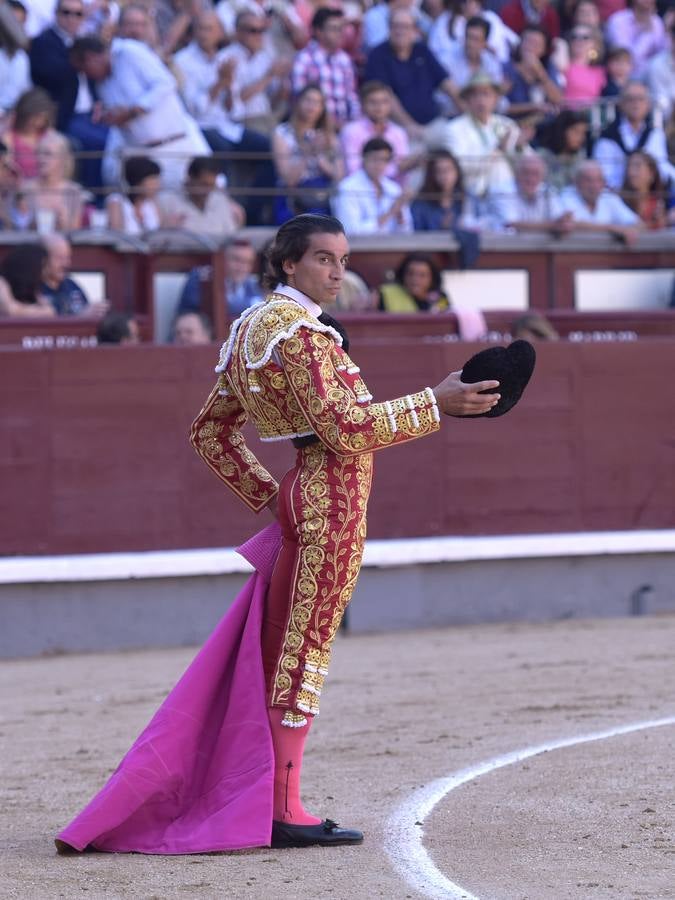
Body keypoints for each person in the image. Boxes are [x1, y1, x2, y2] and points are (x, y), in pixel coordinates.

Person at [70, 35, 210, 189]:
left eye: (83, 70)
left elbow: (166, 83)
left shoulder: (129, 52)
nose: (84, 75)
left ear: (91, 58)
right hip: (140, 158)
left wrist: (133, 111)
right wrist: (110, 117)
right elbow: (119, 114)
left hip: (175, 147)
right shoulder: (100, 83)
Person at [172, 10, 275, 219]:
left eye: (210, 29)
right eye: (201, 28)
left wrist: (228, 87)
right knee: (222, 149)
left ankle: (251, 213)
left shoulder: (225, 58)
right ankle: (224, 214)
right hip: (200, 127)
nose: (205, 34)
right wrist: (219, 83)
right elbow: (195, 108)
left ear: (220, 32)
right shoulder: (182, 61)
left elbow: (235, 109)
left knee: (268, 150)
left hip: (227, 126)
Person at [29, 0, 108, 191]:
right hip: (66, 116)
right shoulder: (43, 42)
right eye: (66, 12)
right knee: (97, 143)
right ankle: (94, 197)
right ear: (56, 14)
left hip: (92, 113)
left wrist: (99, 102)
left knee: (117, 138)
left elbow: (95, 78)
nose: (72, 18)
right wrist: (78, 59)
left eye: (78, 14)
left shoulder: (87, 42)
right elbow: (47, 74)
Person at [429, 72, 526, 201]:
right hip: (478, 196)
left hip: (512, 192)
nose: (481, 100)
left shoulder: (507, 124)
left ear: (495, 99)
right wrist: (498, 149)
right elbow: (460, 168)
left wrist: (520, 148)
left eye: (486, 94)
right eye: (475, 95)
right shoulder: (454, 129)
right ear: (467, 100)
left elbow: (525, 163)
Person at [363, 8, 457, 133]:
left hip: (433, 122)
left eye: (405, 27)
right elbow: (386, 97)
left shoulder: (422, 51)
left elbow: (446, 83)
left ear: (414, 31)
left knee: (454, 139)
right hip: (396, 127)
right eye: (396, 26)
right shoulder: (377, 56)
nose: (400, 31)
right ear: (389, 29)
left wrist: (467, 109)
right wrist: (410, 126)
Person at [272, 85, 344, 223]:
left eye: (317, 102)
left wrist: (320, 158)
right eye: (308, 100)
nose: (311, 106)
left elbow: (339, 175)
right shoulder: (282, 132)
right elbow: (288, 179)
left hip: (322, 196)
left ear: (322, 108)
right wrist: (308, 152)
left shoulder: (329, 135)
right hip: (293, 197)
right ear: (298, 103)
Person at [217, 11, 291, 135]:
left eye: (262, 30)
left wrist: (284, 83)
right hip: (240, 124)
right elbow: (230, 104)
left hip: (266, 118)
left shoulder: (264, 58)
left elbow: (273, 102)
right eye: (253, 30)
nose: (259, 35)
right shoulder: (225, 58)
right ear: (238, 32)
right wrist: (268, 77)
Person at [592, 80, 674, 191]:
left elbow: (662, 167)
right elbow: (604, 174)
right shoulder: (608, 137)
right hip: (617, 196)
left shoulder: (656, 134)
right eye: (630, 99)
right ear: (621, 104)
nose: (636, 104)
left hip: (651, 195)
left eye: (641, 99)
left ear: (648, 104)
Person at [291, 8, 360, 129]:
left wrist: (354, 125)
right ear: (318, 31)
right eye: (334, 29)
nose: (341, 33)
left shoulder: (345, 60)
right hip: (315, 128)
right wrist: (330, 126)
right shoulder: (304, 59)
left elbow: (351, 97)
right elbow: (299, 101)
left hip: (345, 128)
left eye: (341, 28)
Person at [411, 150, 481, 268]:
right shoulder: (421, 202)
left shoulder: (467, 198)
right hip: (430, 263)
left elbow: (480, 225)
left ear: (457, 172)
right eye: (439, 171)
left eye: (449, 170)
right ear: (431, 174)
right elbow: (416, 233)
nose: (445, 176)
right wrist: (441, 229)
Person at [331, 137, 413, 235]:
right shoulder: (347, 187)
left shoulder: (394, 189)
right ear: (363, 159)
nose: (379, 164)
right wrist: (390, 213)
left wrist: (401, 220)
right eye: (374, 159)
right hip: (359, 249)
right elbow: (350, 231)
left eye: (384, 160)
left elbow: (408, 231)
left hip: (392, 247)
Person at [432, 15, 505, 116]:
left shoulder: (491, 62)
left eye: (476, 39)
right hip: (454, 117)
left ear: (484, 43)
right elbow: (441, 100)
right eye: (468, 37)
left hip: (485, 116)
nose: (470, 43)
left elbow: (497, 97)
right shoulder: (447, 61)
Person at [157, 155, 245, 237]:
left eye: (211, 186)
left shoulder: (220, 199)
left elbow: (232, 236)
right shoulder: (167, 201)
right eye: (204, 185)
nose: (208, 191)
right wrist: (165, 229)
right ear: (190, 178)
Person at [340, 80, 412, 180]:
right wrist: (397, 169)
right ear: (362, 105)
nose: (379, 107)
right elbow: (354, 170)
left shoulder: (399, 133)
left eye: (384, 102)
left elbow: (403, 168)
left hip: (393, 191)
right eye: (373, 102)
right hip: (359, 190)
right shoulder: (351, 131)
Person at [558, 158, 642, 243]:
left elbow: (637, 223)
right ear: (576, 182)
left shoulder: (609, 197)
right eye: (588, 180)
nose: (594, 186)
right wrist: (613, 229)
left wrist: (630, 230)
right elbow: (571, 224)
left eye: (598, 180)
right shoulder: (567, 195)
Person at [486, 153, 570, 233]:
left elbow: (560, 221)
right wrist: (552, 226)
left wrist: (564, 221)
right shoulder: (501, 191)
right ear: (516, 174)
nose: (531, 179)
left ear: (542, 177)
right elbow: (511, 224)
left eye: (536, 174)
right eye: (526, 173)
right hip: (499, 245)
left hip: (535, 245)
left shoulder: (547, 191)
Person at [24, 130, 86, 232]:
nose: (40, 158)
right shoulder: (25, 189)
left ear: (62, 158)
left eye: (47, 154)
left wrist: (64, 223)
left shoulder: (74, 191)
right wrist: (31, 224)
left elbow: (75, 232)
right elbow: (14, 228)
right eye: (38, 153)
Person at [503, 24, 563, 118]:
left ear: (544, 49)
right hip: (513, 121)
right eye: (527, 42)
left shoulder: (548, 67)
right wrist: (518, 72)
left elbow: (558, 100)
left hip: (543, 124)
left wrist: (540, 73)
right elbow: (499, 105)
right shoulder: (507, 67)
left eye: (536, 44)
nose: (530, 47)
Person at [39, 232, 98, 315]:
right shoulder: (31, 291)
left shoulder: (73, 287)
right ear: (43, 259)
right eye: (59, 258)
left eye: (67, 257)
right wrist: (81, 317)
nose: (66, 264)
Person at [2, 88, 56, 179]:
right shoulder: (9, 138)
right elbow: (7, 169)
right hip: (20, 187)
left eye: (42, 118)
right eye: (34, 117)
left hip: (45, 187)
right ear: (23, 115)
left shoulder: (49, 135)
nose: (38, 123)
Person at [605, 0, 667, 78]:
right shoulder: (618, 21)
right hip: (624, 77)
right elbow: (627, 58)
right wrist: (646, 35)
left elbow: (663, 55)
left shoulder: (657, 22)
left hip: (652, 77)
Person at [105, 155, 162, 234]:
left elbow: (161, 233)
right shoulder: (117, 201)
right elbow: (116, 235)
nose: (158, 186)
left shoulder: (152, 203)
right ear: (138, 181)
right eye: (153, 181)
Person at [378, 251, 451, 312]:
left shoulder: (441, 298)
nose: (415, 280)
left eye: (422, 275)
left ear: (432, 278)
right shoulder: (385, 295)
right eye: (410, 273)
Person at [536, 108, 589, 190]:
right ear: (562, 130)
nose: (581, 138)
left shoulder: (580, 156)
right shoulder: (542, 156)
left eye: (583, 133)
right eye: (576, 131)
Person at [0, 243, 55, 317]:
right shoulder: (2, 282)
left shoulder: (30, 287)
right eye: (43, 266)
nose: (45, 272)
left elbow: (49, 310)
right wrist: (41, 311)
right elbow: (11, 310)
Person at [619, 150, 667, 229]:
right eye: (629, 166)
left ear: (651, 174)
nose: (631, 172)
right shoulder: (619, 201)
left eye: (637, 166)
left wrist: (663, 221)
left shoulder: (659, 203)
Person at [561, 24, 606, 108]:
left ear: (594, 43)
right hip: (566, 117)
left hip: (591, 118)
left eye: (585, 37)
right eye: (574, 37)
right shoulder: (563, 66)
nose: (579, 41)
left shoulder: (600, 72)